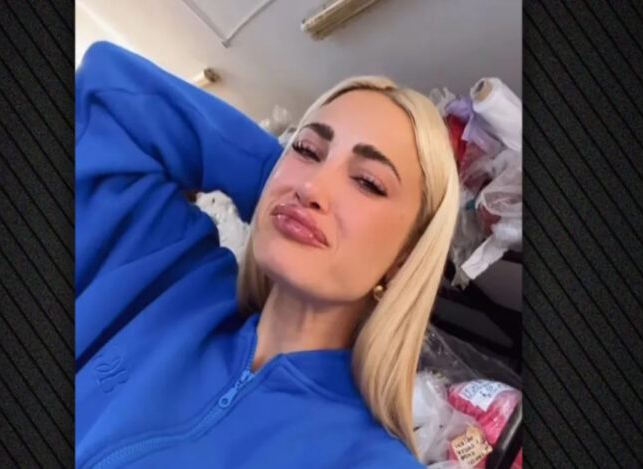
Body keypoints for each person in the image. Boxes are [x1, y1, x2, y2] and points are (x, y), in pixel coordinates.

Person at [75, 42, 459, 469]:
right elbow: (106, 87)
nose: (310, 187)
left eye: (368, 182)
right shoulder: (167, 279)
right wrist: (270, 187)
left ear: (404, 260)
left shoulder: (369, 461)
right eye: (307, 151)